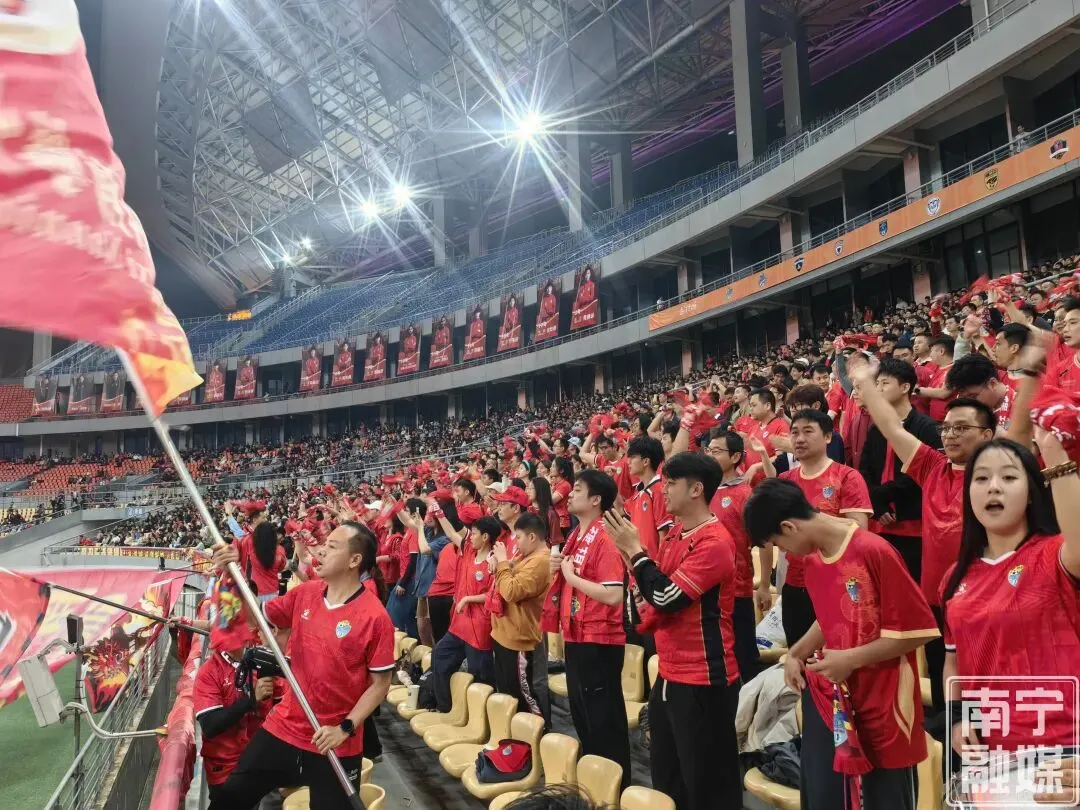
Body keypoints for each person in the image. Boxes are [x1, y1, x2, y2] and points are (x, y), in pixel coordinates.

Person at [744, 479, 940, 810]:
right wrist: (796, 653)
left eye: (779, 544)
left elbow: (918, 630)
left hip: (883, 699)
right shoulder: (813, 561)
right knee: (827, 793)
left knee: (884, 796)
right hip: (834, 696)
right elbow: (831, 616)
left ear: (789, 527)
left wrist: (850, 659)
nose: (785, 553)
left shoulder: (873, 551)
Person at [208, 522, 394, 810]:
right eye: (325, 544)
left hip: (332, 740)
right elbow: (256, 616)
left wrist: (345, 728)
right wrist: (233, 573)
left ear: (354, 560)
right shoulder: (305, 593)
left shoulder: (375, 617)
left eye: (332, 546)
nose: (322, 551)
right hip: (286, 725)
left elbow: (380, 684)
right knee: (230, 798)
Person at [851, 357, 996, 712]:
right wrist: (865, 382)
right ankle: (950, 726)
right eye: (947, 428)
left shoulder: (1000, 478)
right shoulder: (932, 467)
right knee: (942, 664)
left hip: (982, 596)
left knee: (982, 672)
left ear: (987, 435)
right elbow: (891, 428)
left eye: (962, 428)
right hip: (936, 594)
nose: (950, 434)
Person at [606, 452, 742, 810]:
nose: (663, 490)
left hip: (703, 679)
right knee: (667, 776)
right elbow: (654, 588)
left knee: (706, 786)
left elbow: (666, 596)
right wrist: (630, 555)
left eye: (670, 483)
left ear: (696, 489)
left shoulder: (715, 542)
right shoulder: (677, 533)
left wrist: (635, 551)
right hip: (670, 671)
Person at [941, 435, 1080, 777]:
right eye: (981, 478)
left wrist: (1054, 454)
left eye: (1008, 477)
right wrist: (957, 717)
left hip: (1064, 752)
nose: (993, 487)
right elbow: (953, 659)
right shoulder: (954, 578)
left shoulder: (1057, 555)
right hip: (991, 758)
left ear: (1032, 492)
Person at [543, 470, 630, 788]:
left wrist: (570, 576)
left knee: (603, 723)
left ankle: (616, 790)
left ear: (596, 500)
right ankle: (596, 787)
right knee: (584, 719)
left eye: (577, 490)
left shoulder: (605, 536)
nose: (570, 494)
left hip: (599, 640)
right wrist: (560, 570)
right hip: (577, 634)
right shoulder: (577, 535)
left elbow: (613, 594)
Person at [764, 409, 873, 649]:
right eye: (794, 433)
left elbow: (858, 532)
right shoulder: (785, 481)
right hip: (796, 585)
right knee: (799, 658)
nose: (799, 439)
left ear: (827, 437)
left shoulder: (847, 477)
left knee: (835, 660)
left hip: (836, 585)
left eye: (808, 431)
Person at [857, 358, 941, 582]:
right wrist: (877, 504)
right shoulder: (875, 430)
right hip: (880, 522)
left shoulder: (927, 427)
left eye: (885, 383)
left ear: (905, 387)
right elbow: (864, 469)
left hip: (914, 523)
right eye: (876, 383)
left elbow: (923, 474)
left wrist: (882, 495)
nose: (878, 389)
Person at [706, 429, 768, 679]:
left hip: (738, 588)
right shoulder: (704, 491)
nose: (710, 455)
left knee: (744, 657)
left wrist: (765, 585)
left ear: (735, 457)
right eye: (709, 450)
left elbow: (763, 543)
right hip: (708, 588)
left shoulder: (745, 494)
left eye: (716, 451)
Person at [429, 515, 501, 712]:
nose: (471, 537)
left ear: (485, 537)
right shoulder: (469, 551)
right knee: (439, 655)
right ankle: (445, 707)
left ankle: (485, 719)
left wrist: (468, 598)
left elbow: (494, 595)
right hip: (459, 625)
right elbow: (452, 532)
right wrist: (439, 512)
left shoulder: (495, 562)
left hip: (479, 627)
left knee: (480, 676)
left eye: (474, 533)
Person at [194, 638, 278, 799]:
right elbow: (210, 725)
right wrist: (251, 700)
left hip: (258, 760)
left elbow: (281, 703)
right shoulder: (209, 672)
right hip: (225, 769)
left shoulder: (261, 662)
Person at [491, 512, 552, 727]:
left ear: (532, 537)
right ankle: (517, 741)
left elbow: (511, 591)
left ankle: (537, 738)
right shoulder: (526, 556)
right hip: (505, 634)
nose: (515, 542)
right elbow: (506, 574)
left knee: (525, 699)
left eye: (518, 537)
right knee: (510, 697)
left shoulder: (541, 561)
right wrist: (501, 564)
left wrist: (502, 563)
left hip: (520, 639)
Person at [239, 521, 287, 603]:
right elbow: (281, 568)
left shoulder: (253, 550)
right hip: (273, 590)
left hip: (256, 592)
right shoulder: (280, 550)